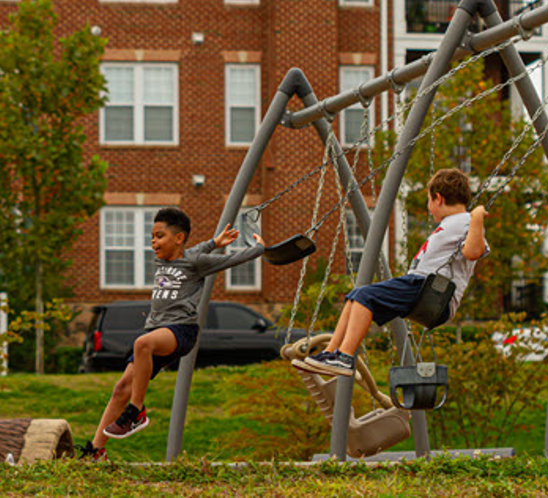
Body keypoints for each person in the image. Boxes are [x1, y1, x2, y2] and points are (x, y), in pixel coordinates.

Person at [79, 207, 264, 461]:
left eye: (159, 236)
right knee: (120, 388)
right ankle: (96, 451)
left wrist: (259, 248)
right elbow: (193, 250)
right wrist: (214, 242)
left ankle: (137, 410)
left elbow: (228, 260)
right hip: (158, 332)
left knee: (142, 343)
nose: (153, 242)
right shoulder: (169, 258)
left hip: (181, 331)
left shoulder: (196, 263)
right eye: (152, 236)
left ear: (178, 238)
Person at [293, 168, 489, 378]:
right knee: (355, 297)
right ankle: (330, 353)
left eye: (428, 200)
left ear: (438, 199)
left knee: (363, 296)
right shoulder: (452, 223)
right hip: (420, 287)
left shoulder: (466, 221)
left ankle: (345, 357)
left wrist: (476, 216)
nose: (428, 207)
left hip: (432, 292)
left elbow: (474, 251)